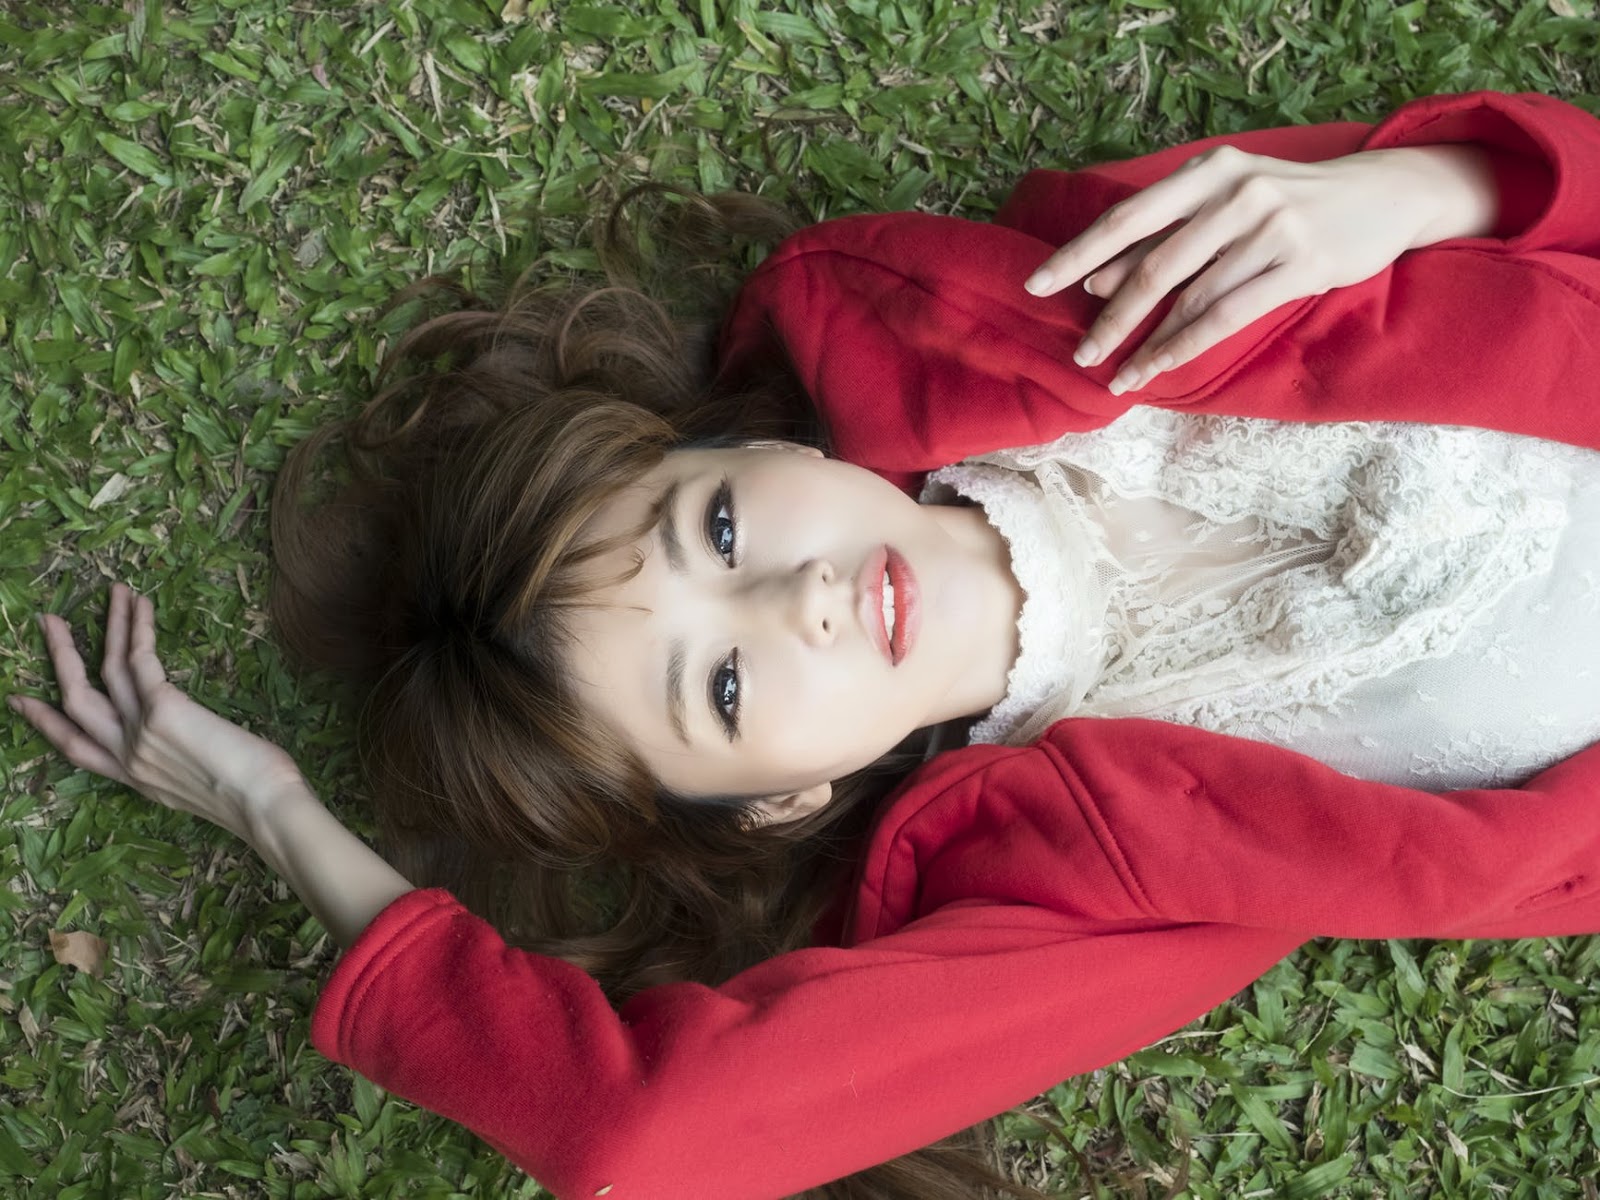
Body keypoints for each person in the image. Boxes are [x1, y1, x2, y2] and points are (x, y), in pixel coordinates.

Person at [14, 89, 1600, 1200]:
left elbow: (1559, 195)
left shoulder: (1049, 303)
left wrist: (1411, 189)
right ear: (777, 799)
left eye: (712, 531)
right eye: (720, 686)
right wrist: (276, 811)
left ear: (748, 451)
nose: (798, 601)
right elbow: (642, 1132)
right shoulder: (1083, 875)